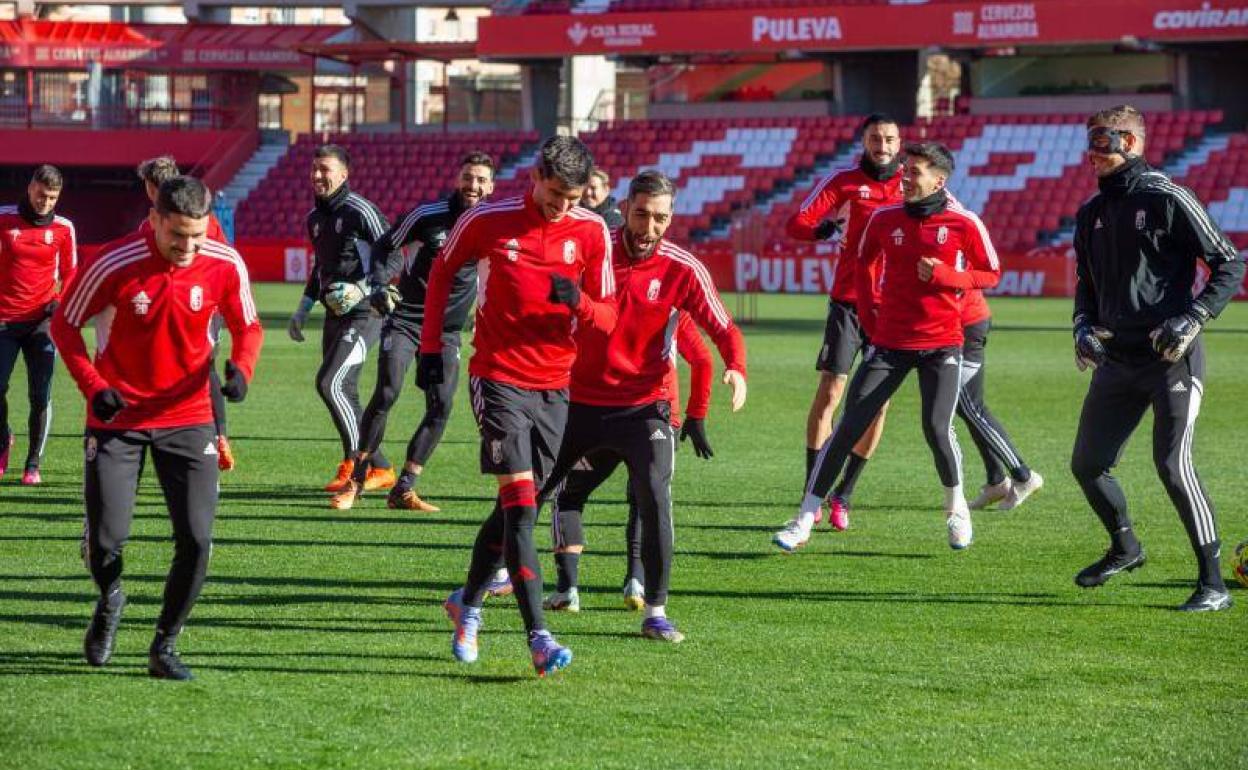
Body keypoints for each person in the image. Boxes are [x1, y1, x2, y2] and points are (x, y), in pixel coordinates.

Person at [51, 176, 263, 679]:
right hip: (117, 419)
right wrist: (93, 386)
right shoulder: (113, 262)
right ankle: (110, 597)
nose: (188, 247)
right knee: (106, 541)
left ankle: (164, 645)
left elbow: (248, 325)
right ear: (154, 220)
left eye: (197, 234)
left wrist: (243, 368)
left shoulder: (224, 261)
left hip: (189, 418)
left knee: (196, 538)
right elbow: (65, 325)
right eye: (177, 235)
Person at [420, 135, 616, 676]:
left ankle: (468, 603)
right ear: (535, 176)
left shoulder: (592, 231)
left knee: (515, 510)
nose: (563, 207)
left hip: (556, 388)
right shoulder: (488, 220)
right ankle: (539, 639)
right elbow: (443, 272)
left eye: (573, 197)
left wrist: (578, 302)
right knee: (524, 509)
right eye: (555, 194)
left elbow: (609, 317)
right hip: (499, 379)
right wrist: (432, 349)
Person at [538, 170, 747, 643]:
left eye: (660, 218)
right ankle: (496, 579)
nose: (648, 227)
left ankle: (655, 610)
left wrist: (736, 366)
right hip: (578, 401)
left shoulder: (683, 268)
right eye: (641, 215)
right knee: (528, 493)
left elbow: (724, 327)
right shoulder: (593, 248)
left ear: (670, 219)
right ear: (626, 207)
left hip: (645, 407)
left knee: (653, 496)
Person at [774, 141, 1000, 553]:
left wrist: (950, 276)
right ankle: (804, 517)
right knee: (847, 425)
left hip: (942, 343)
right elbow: (863, 263)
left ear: (939, 180)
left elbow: (991, 273)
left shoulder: (964, 222)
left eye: (915, 171)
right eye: (905, 169)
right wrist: (871, 315)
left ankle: (956, 510)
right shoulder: (884, 218)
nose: (906, 177)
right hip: (890, 342)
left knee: (936, 428)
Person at [1069, 105, 1244, 612]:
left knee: (1172, 466)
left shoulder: (1167, 196)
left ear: (1133, 142)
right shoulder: (1090, 213)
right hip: (1116, 362)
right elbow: (1086, 283)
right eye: (1091, 141)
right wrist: (1081, 325)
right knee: (1088, 464)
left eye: (1104, 140)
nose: (1094, 152)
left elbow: (1229, 262)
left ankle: (1214, 584)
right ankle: (1126, 547)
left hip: (1171, 358)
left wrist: (1193, 318)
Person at [330, 152, 495, 511]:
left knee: (442, 405)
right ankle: (356, 480)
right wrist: (376, 284)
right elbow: (384, 245)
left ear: (491, 186)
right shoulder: (427, 215)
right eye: (468, 177)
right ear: (458, 179)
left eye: (481, 180)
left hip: (446, 331)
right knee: (387, 392)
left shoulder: (492, 225)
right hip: (406, 318)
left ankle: (403, 487)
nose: (474, 185)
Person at [544, 310, 715, 613]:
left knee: (568, 496)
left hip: (599, 414)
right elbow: (702, 359)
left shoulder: (601, 307)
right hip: (660, 419)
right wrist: (696, 414)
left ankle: (567, 588)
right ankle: (636, 583)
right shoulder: (672, 309)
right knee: (645, 501)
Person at [786, 114, 904, 530]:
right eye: (875, 137)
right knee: (831, 391)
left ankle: (844, 495)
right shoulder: (844, 181)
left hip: (893, 306)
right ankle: (811, 494)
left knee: (878, 402)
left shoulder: (913, 182)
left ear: (899, 142)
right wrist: (822, 229)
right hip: (848, 304)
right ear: (865, 141)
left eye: (889, 138)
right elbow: (796, 222)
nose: (883, 144)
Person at [286, 144, 395, 492]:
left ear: (344, 173)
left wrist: (363, 289)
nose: (318, 175)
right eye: (315, 168)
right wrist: (303, 309)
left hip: (367, 313)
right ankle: (381, 467)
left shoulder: (361, 210)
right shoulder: (314, 219)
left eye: (326, 169)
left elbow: (395, 257)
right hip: (334, 314)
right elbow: (321, 269)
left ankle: (354, 465)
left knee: (329, 383)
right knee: (343, 389)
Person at [135, 156, 236, 470]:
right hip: (202, 307)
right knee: (202, 368)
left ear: (153, 189)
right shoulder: (205, 219)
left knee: (195, 369)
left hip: (193, 307)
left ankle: (201, 436)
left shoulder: (151, 225)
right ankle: (215, 437)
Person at [0, 165, 77, 484]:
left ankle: (33, 464)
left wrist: (60, 302)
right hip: (4, 320)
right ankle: (2, 441)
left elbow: (72, 272)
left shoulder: (63, 228)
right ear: (31, 187)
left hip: (43, 322)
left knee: (39, 394)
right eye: (42, 194)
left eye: (53, 197)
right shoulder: (3, 218)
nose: (46, 202)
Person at [958, 288, 1044, 511]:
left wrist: (943, 273)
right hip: (957, 322)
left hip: (964, 322)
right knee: (965, 406)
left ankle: (1023, 476)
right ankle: (996, 481)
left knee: (971, 407)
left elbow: (990, 273)